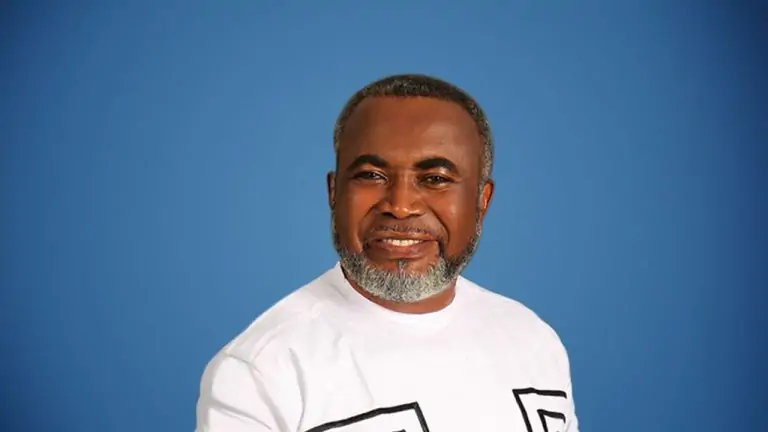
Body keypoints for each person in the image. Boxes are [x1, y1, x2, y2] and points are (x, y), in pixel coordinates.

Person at [195, 74, 579, 432]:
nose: (400, 205)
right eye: (371, 176)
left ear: (482, 200)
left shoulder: (534, 340)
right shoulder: (260, 372)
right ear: (333, 193)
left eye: (436, 179)